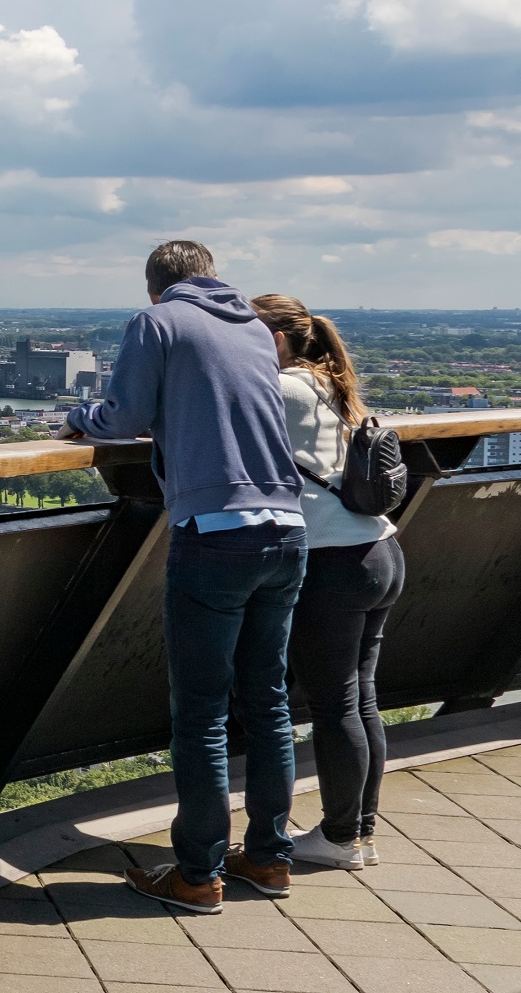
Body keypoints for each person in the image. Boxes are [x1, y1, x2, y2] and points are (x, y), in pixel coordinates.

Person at [54, 241, 304, 915]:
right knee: (271, 703)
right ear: (213, 278)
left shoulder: (156, 323)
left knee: (201, 715)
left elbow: (124, 417)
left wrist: (78, 420)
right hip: (286, 528)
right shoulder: (253, 327)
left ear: (155, 289)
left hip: (215, 534)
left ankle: (197, 875)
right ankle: (270, 858)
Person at [254, 294, 400, 871]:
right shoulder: (330, 385)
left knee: (336, 700)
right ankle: (358, 833)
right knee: (361, 697)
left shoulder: (281, 388)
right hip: (379, 549)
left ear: (278, 339)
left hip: (333, 561)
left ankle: (340, 839)